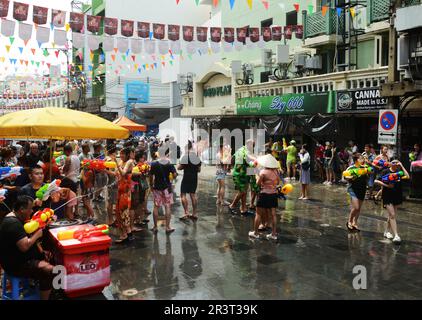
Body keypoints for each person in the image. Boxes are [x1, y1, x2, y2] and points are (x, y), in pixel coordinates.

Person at [0, 195, 54, 300]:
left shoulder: (16, 217)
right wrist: (37, 234)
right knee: (51, 270)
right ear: (22, 209)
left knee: (50, 257)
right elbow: (24, 246)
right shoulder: (13, 224)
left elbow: (27, 239)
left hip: (21, 259)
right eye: (30, 209)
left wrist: (41, 252)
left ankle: (46, 289)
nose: (32, 211)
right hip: (16, 265)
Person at [375, 160, 410, 244]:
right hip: (387, 195)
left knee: (391, 216)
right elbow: (376, 181)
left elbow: (407, 176)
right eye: (393, 162)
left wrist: (401, 165)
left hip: (397, 195)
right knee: (393, 215)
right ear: (390, 163)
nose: (395, 164)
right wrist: (387, 185)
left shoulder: (399, 172)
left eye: (397, 162)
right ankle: (396, 235)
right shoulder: (385, 171)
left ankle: (386, 231)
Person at [248, 154, 280, 240]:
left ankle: (255, 233)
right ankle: (273, 234)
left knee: (258, 214)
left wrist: (259, 178)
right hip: (273, 194)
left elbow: (258, 184)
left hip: (264, 194)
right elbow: (278, 183)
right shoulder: (276, 172)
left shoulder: (263, 172)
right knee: (273, 215)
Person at [149, 150, 177, 234]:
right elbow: (175, 175)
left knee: (156, 206)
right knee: (167, 206)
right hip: (167, 188)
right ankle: (168, 227)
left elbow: (151, 176)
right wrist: (172, 177)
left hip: (157, 187)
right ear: (166, 154)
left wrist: (151, 185)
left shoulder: (154, 164)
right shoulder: (169, 163)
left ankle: (155, 226)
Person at [113, 148, 135, 243]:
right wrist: (105, 171)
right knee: (118, 212)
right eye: (120, 154)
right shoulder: (122, 162)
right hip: (120, 190)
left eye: (122, 154)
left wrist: (117, 164)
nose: (120, 156)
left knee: (124, 212)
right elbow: (116, 174)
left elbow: (123, 173)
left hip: (125, 192)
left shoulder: (129, 162)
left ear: (127, 155)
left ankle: (129, 235)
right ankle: (125, 234)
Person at [229, 140, 255, 215]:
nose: (253, 147)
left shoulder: (241, 150)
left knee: (245, 191)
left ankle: (243, 209)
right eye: (253, 145)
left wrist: (230, 167)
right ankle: (232, 205)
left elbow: (232, 158)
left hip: (245, 174)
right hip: (239, 174)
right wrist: (255, 161)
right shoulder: (243, 151)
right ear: (249, 144)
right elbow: (248, 159)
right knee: (242, 191)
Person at [345, 153, 370, 232]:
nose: (363, 160)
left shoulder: (365, 168)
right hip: (353, 189)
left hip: (362, 188)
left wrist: (367, 168)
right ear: (356, 160)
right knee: (356, 207)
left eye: (363, 158)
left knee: (359, 208)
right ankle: (349, 221)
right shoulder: (351, 167)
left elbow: (369, 174)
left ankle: (355, 222)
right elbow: (345, 176)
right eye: (361, 158)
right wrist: (352, 177)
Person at [178, 141, 201, 221]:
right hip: (194, 177)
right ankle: (194, 213)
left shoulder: (185, 156)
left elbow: (179, 168)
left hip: (186, 177)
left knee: (183, 194)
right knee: (193, 195)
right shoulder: (196, 157)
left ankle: (186, 212)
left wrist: (183, 166)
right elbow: (199, 169)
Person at [131, 151, 150, 228]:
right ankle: (137, 219)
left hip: (142, 186)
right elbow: (133, 175)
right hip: (138, 186)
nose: (144, 158)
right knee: (139, 202)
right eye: (142, 157)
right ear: (139, 158)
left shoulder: (143, 165)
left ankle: (140, 218)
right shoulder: (136, 166)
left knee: (141, 202)